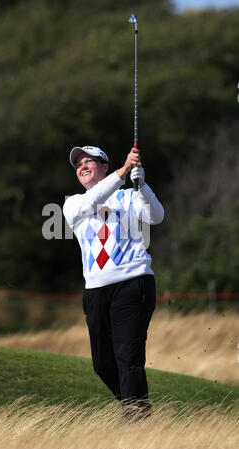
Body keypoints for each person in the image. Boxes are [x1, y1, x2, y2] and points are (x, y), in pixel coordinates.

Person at [63, 145, 164, 420]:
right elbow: (91, 202)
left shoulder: (130, 196)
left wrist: (141, 184)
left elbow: (156, 216)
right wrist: (123, 172)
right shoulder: (72, 203)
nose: (82, 166)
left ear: (104, 167)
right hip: (95, 290)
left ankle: (135, 419)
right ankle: (140, 410)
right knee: (102, 363)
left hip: (132, 283)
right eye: (78, 164)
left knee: (127, 357)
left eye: (89, 162)